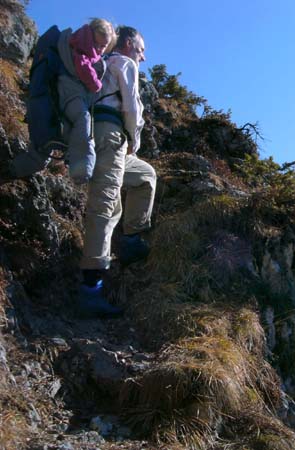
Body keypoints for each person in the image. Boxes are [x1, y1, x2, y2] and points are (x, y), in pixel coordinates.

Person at [78, 25, 156, 318]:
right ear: (127, 43)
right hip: (111, 136)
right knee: (105, 205)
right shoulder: (123, 62)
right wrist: (135, 139)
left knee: (145, 176)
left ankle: (131, 239)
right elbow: (132, 107)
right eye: (141, 48)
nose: (143, 56)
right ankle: (90, 290)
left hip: (111, 140)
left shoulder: (107, 64)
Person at [57, 18, 116, 184]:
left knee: (75, 123)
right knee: (84, 120)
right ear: (92, 35)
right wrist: (96, 85)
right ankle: (82, 171)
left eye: (103, 46)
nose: (99, 49)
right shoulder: (83, 46)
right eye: (98, 44)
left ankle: (71, 158)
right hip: (70, 93)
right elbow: (83, 67)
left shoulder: (78, 39)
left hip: (66, 92)